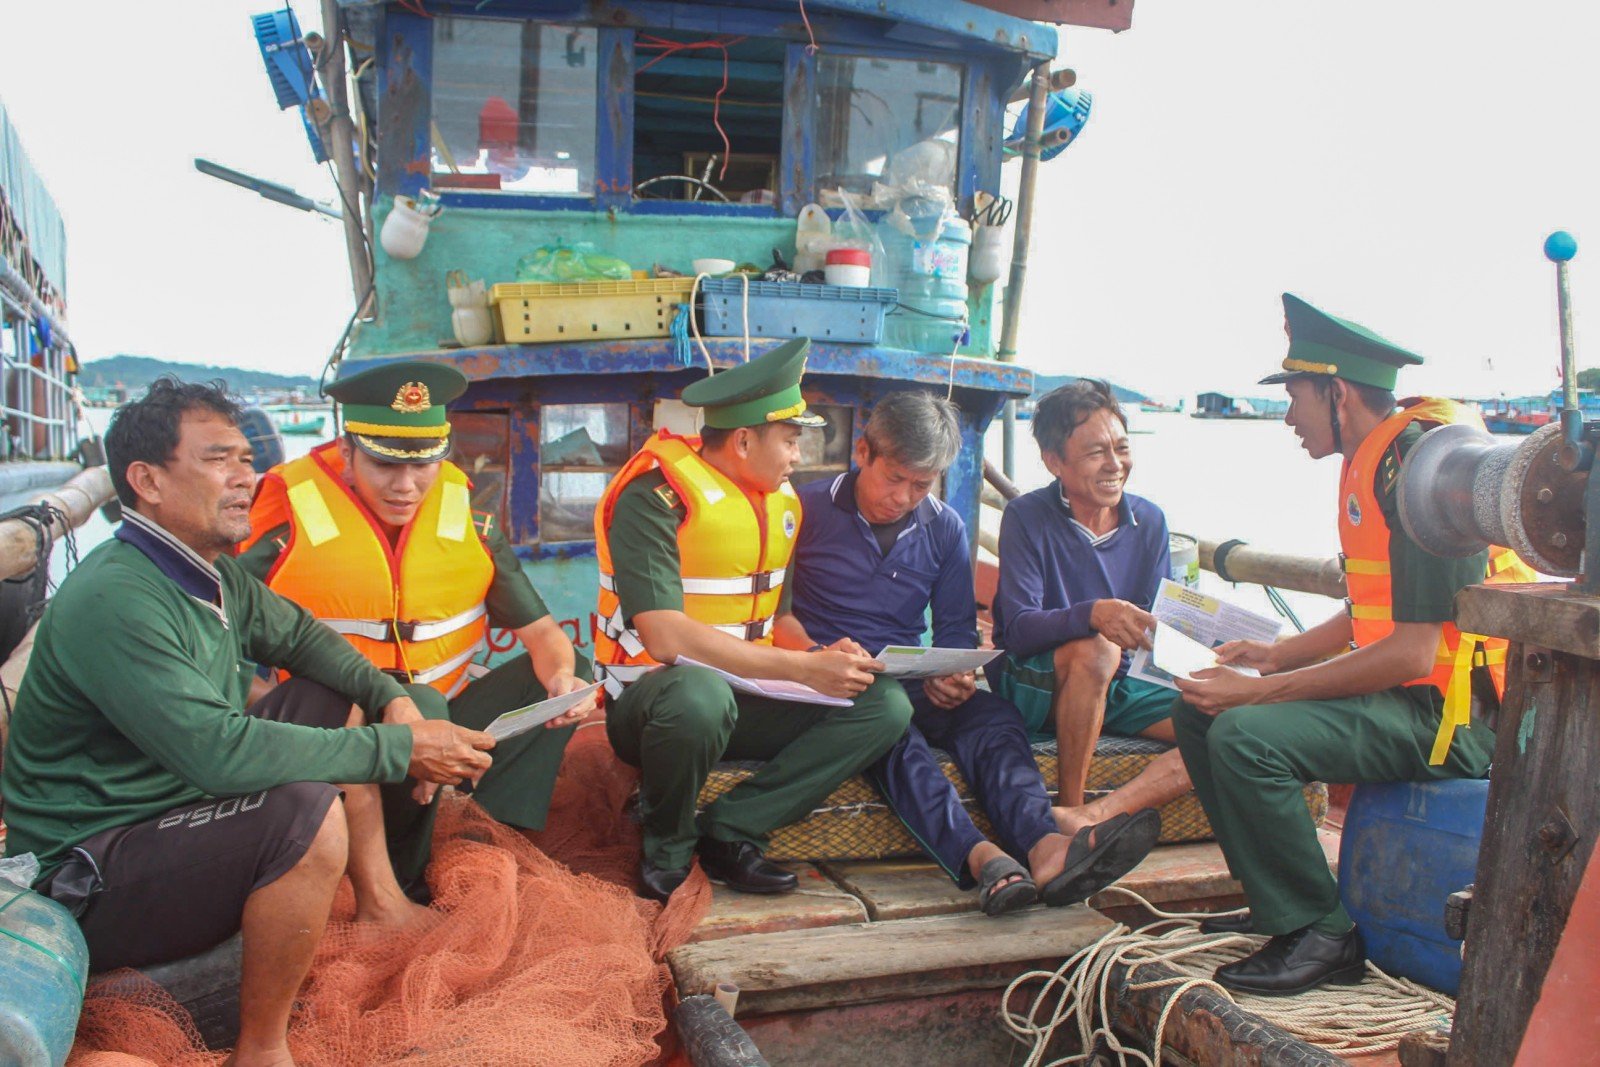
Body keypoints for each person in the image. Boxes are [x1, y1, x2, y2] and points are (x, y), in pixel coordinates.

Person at [0, 378, 493, 1067]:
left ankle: (381, 896)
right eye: (218, 460)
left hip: (168, 811)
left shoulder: (208, 573)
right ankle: (261, 1050)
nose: (247, 476)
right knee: (305, 817)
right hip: (87, 872)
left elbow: (306, 641)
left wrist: (391, 697)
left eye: (246, 458)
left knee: (329, 693)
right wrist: (402, 746)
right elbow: (219, 755)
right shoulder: (117, 598)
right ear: (146, 480)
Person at [1171, 294, 1536, 996]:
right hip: (1409, 696)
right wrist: (1277, 655)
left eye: (1294, 397)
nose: (1286, 418)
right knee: (1199, 713)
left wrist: (1259, 691)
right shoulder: (1375, 458)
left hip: (1454, 720)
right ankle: (1280, 903)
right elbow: (1368, 607)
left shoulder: (1424, 472)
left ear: (1337, 392)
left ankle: (1322, 932)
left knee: (1246, 733)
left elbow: (1413, 653)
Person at [786, 390, 1154, 913]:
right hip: (833, 681)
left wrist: (952, 674)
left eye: (921, 484)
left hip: (905, 676)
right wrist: (813, 658)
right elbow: (778, 612)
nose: (904, 497)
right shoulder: (806, 510)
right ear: (863, 452)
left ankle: (1045, 845)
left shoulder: (944, 528)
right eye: (895, 479)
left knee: (993, 719)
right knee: (893, 733)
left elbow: (958, 631)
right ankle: (982, 857)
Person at [238, 362, 596, 892]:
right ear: (346, 451)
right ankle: (403, 879)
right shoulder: (285, 519)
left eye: (425, 464)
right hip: (335, 735)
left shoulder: (470, 519)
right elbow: (218, 644)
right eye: (385, 464)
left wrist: (564, 680)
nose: (406, 486)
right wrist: (277, 726)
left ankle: (487, 835)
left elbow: (544, 635)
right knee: (420, 709)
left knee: (565, 675)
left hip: (441, 708)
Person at [594, 337, 913, 903]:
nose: (797, 456)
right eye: (790, 441)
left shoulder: (779, 502)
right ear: (743, 440)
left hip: (745, 690)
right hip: (653, 703)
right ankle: (666, 846)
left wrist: (820, 657)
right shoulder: (654, 497)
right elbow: (665, 636)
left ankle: (731, 829)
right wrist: (799, 669)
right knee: (697, 695)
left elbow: (777, 617)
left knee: (883, 704)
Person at [989, 379, 1188, 849]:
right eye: (1096, 453)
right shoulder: (1026, 516)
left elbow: (1154, 628)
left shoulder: (1151, 521)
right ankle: (1069, 805)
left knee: (1227, 724)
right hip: (1037, 682)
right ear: (1054, 462)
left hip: (1122, 685)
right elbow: (1017, 629)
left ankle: (1090, 816)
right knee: (1097, 652)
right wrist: (1093, 615)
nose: (1115, 465)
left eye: (1121, 448)